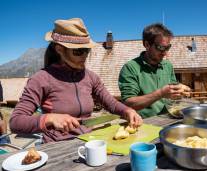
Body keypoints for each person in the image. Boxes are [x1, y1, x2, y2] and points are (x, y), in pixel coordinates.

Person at [10, 18, 142, 143]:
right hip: (58, 148)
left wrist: (127, 111)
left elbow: (111, 104)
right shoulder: (41, 79)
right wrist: (49, 118)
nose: (85, 56)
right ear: (59, 49)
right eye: (79, 51)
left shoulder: (91, 77)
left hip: (89, 140)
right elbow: (16, 122)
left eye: (87, 50)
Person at [118, 23, 191, 118]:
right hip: (143, 124)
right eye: (161, 48)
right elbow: (128, 104)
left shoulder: (167, 66)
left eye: (168, 47)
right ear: (147, 44)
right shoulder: (130, 68)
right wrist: (161, 93)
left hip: (168, 119)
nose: (165, 53)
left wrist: (180, 92)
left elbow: (173, 96)